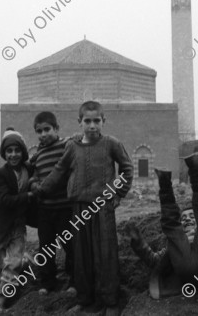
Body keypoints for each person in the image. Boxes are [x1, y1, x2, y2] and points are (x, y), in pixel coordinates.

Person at [33, 100, 133, 316]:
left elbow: (127, 168)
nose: (92, 126)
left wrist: (119, 193)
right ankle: (85, 300)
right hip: (78, 210)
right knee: (82, 256)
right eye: (87, 121)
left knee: (105, 255)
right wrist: (40, 189)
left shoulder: (111, 144)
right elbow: (59, 171)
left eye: (97, 120)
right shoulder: (72, 147)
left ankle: (111, 301)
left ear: (103, 121)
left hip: (102, 209)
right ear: (79, 122)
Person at [125, 151, 198, 299]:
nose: (188, 219)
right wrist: (137, 241)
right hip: (184, 264)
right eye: (184, 218)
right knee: (171, 226)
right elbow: (153, 260)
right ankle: (164, 181)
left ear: (196, 221)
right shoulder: (175, 243)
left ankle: (194, 167)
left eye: (191, 216)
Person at [0, 128, 36, 311]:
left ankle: (1, 298)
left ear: (23, 152)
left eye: (17, 150)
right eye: (9, 151)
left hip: (18, 225)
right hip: (0, 225)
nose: (13, 154)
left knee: (12, 264)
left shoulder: (29, 169)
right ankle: (24, 259)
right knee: (0, 263)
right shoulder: (0, 174)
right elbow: (4, 200)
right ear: (4, 153)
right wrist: (28, 195)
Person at [28, 111, 76, 296]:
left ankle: (75, 280)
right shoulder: (38, 153)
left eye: (47, 129)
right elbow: (34, 173)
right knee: (46, 247)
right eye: (39, 131)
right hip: (45, 209)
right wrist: (34, 183)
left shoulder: (66, 146)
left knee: (71, 246)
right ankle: (48, 282)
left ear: (56, 128)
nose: (43, 134)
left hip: (65, 207)